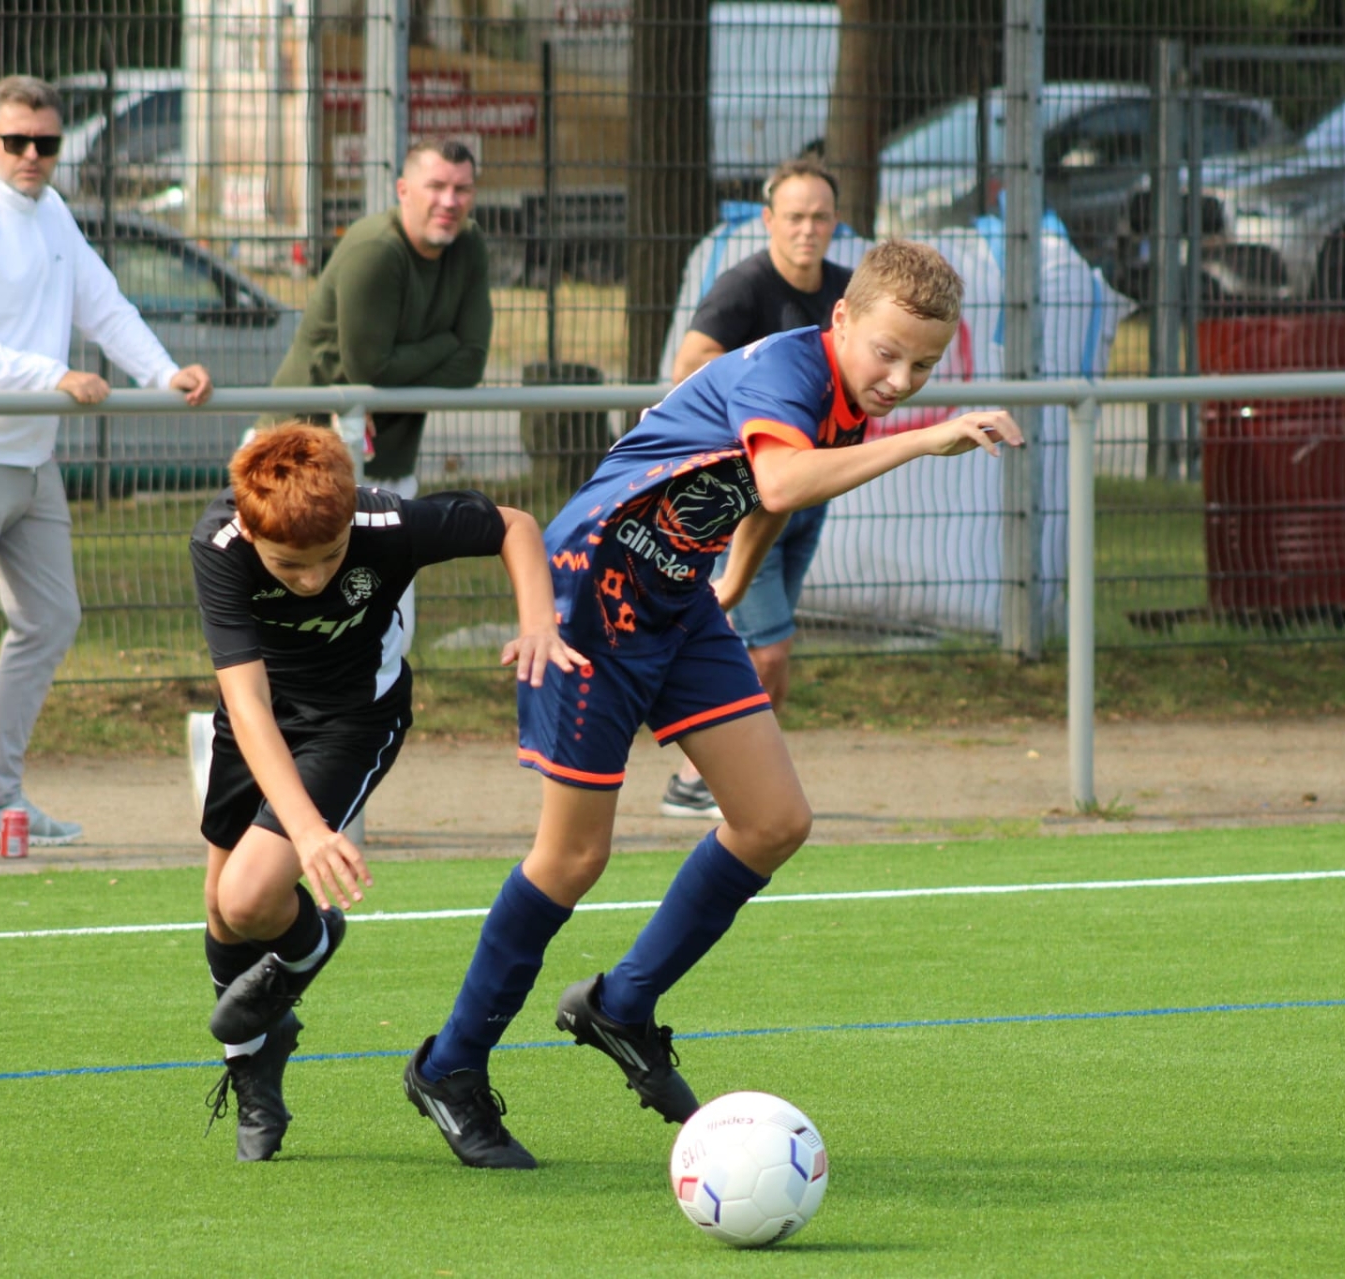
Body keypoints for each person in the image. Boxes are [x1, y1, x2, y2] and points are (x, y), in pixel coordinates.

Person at [402, 241, 1023, 1169]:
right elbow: (780, 477)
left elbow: (768, 495)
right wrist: (927, 436)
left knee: (773, 821)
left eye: (925, 367)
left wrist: (733, 574)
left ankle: (620, 1004)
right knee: (573, 857)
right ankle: (449, 1065)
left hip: (678, 596)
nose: (901, 380)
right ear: (841, 319)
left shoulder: (845, 395)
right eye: (888, 353)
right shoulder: (787, 370)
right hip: (593, 592)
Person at [190, 423, 579, 1162]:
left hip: (353, 720)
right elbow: (245, 703)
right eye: (289, 565)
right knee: (221, 905)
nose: (312, 579)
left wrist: (538, 622)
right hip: (258, 718)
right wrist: (307, 831)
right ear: (251, 530)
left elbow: (514, 526)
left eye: (329, 557)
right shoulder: (221, 544)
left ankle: (308, 947)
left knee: (248, 897)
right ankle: (255, 1070)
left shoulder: (387, 525)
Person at [0, 74, 213, 851]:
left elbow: (104, 305)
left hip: (33, 459)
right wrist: (53, 377)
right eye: (16, 141)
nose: (32, 155)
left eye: (46, 142)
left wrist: (163, 372)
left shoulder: (53, 214)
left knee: (51, 618)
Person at [661, 156, 851, 820]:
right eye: (794, 216)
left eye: (820, 217)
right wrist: (770, 409)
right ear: (768, 220)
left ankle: (699, 779)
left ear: (836, 221)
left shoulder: (846, 292)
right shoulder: (743, 286)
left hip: (805, 497)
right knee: (769, 651)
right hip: (747, 499)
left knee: (761, 650)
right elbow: (690, 364)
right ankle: (703, 778)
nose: (807, 229)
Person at [267, 137, 492, 656]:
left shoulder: (470, 244)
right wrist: (445, 343)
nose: (449, 201)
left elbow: (471, 365)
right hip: (301, 459)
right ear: (403, 189)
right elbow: (371, 369)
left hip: (390, 461)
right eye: (436, 186)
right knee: (296, 637)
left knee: (391, 636)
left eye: (462, 189)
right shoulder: (376, 249)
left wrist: (412, 365)